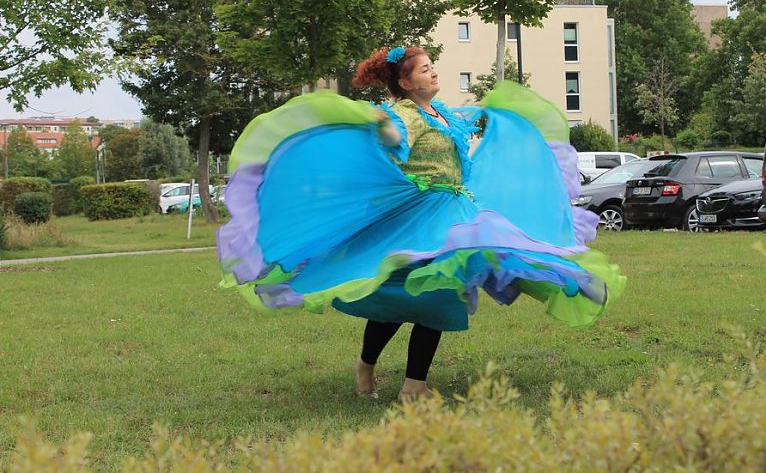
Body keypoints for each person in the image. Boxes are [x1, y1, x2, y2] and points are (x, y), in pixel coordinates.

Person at [217, 45, 625, 401]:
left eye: (432, 66)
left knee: (439, 293)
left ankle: (414, 384)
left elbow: (471, 120)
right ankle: (368, 366)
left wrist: (498, 115)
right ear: (407, 83)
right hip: (420, 213)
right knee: (399, 300)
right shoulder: (406, 115)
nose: (434, 71)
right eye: (425, 68)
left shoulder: (442, 112)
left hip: (456, 210)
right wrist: (383, 129)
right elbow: (396, 137)